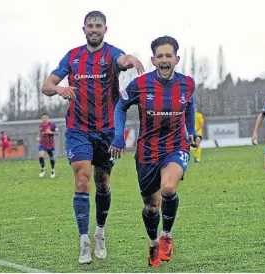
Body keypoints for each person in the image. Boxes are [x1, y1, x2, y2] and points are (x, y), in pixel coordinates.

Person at [41, 10, 144, 264]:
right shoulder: (73, 56)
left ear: (105, 29)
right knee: (82, 178)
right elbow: (46, 86)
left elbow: (121, 60)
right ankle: (84, 241)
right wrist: (60, 88)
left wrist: (130, 58)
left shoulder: (111, 53)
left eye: (98, 25)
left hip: (107, 130)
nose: (94, 29)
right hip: (78, 129)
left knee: (103, 182)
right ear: (84, 29)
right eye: (90, 25)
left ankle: (100, 232)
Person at [109, 35, 200, 267]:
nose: (164, 59)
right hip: (146, 153)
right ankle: (153, 242)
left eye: (168, 55)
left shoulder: (187, 84)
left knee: (169, 188)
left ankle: (167, 235)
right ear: (153, 60)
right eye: (160, 56)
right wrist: (119, 137)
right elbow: (120, 106)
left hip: (176, 147)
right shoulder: (140, 84)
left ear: (177, 59)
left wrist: (190, 130)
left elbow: (189, 105)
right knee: (151, 208)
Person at [36, 112, 58, 178]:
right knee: (40, 155)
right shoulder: (40, 125)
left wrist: (51, 132)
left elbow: (57, 133)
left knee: (51, 157)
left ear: (48, 118)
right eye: (43, 118)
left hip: (50, 144)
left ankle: (53, 170)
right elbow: (40, 133)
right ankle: (43, 169)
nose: (44, 119)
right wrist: (38, 137)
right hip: (42, 143)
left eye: (45, 118)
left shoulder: (52, 125)